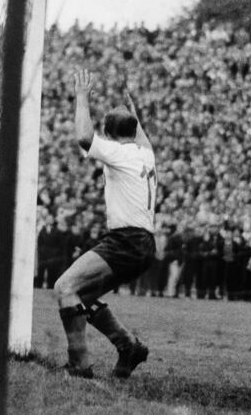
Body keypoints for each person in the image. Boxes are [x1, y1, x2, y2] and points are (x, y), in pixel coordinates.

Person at [53, 69, 155, 379]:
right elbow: (140, 133)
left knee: (64, 287)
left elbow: (84, 137)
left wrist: (82, 96)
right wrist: (133, 112)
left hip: (127, 240)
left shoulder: (119, 152)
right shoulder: (146, 153)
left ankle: (79, 363)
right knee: (81, 297)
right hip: (143, 244)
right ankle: (128, 347)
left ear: (108, 133)